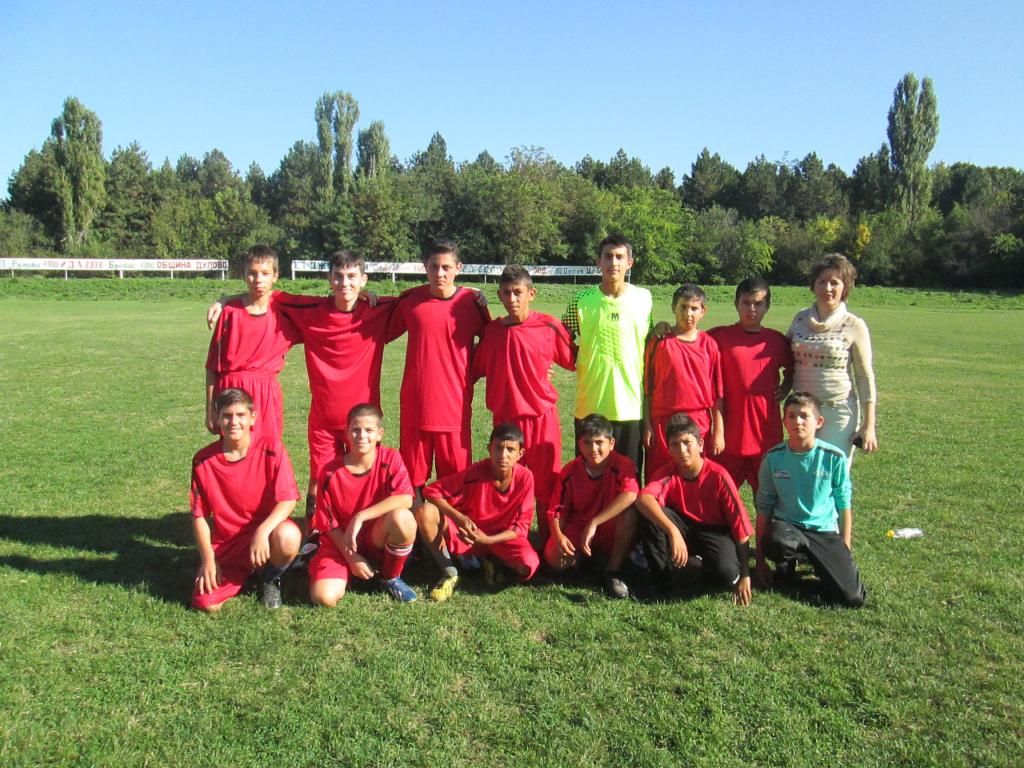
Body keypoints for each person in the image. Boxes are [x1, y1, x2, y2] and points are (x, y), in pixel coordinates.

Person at [472, 264, 575, 542]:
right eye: (506, 293)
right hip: (506, 421)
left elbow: (577, 359)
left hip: (541, 418)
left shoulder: (548, 326)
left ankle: (547, 541)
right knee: (505, 482)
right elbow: (471, 368)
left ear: (532, 293)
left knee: (546, 485)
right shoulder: (493, 332)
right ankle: (509, 542)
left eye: (518, 292)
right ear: (499, 295)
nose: (512, 299)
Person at [387, 238, 490, 494]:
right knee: (412, 484)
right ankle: (416, 520)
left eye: (446, 267)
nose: (440, 273)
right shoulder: (410, 301)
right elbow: (375, 325)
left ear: (458, 268)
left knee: (455, 483)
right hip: (416, 407)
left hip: (454, 409)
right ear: (425, 266)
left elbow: (495, 342)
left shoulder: (472, 303)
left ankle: (447, 521)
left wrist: (471, 371)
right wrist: (363, 295)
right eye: (434, 266)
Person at [189, 388, 302, 611]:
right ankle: (246, 575)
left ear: (252, 418)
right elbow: (199, 515)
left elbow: (288, 499)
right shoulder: (203, 460)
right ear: (217, 418)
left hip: (266, 537)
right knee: (206, 604)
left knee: (289, 536)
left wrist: (262, 531)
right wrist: (208, 559)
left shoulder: (272, 449)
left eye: (241, 415)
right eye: (227, 415)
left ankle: (270, 577)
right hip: (229, 544)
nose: (234, 422)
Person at [754, 392, 866, 607]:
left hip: (823, 531)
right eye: (791, 416)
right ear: (784, 422)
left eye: (804, 416)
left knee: (852, 598)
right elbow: (764, 509)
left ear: (819, 422)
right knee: (776, 541)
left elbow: (844, 505)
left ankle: (814, 561)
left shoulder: (834, 457)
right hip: (788, 528)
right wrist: (759, 560)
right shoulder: (773, 458)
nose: (798, 422)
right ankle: (787, 564)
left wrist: (844, 549)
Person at [635, 414, 753, 606]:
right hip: (683, 528)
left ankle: (694, 568)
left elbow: (740, 527)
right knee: (651, 514)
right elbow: (643, 499)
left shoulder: (719, 476)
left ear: (700, 444)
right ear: (668, 449)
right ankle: (661, 579)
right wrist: (673, 531)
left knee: (727, 575)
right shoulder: (668, 472)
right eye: (675, 444)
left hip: (714, 532)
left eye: (687, 442)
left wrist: (746, 574)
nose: (682, 450)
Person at [307, 404, 418, 605]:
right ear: (346, 433)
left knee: (403, 518)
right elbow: (328, 525)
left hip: (375, 537)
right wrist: (352, 558)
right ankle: (349, 572)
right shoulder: (329, 472)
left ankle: (389, 576)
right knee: (324, 598)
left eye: (369, 430)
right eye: (356, 430)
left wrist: (361, 516)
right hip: (342, 543)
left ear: (379, 434)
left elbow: (405, 498)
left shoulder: (390, 458)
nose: (362, 436)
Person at [416, 423, 539, 602]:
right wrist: (459, 517)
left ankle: (489, 559)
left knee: (528, 565)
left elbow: (522, 527)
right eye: (498, 448)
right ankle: (450, 571)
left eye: (510, 450)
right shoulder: (476, 472)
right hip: (469, 535)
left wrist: (488, 540)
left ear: (520, 454)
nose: (503, 455)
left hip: (501, 538)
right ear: (489, 449)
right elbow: (431, 491)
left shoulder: (525, 478)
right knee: (425, 511)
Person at [562, 234, 653, 471]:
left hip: (630, 406)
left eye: (619, 257)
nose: (614, 262)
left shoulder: (644, 299)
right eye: (608, 256)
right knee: (588, 477)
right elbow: (560, 339)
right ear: (598, 262)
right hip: (590, 405)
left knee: (628, 479)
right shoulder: (582, 300)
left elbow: (650, 342)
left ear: (629, 263)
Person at [204, 245, 300, 444]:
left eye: (265, 273)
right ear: (244, 275)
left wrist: (360, 295)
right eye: (252, 273)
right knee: (234, 451)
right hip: (231, 390)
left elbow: (327, 308)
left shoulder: (285, 312)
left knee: (267, 450)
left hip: (266, 393)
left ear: (275, 276)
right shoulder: (230, 312)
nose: (258, 279)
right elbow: (213, 366)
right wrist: (210, 409)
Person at [787, 253, 877, 457]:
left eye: (834, 282)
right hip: (802, 413)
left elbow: (864, 376)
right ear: (813, 285)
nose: (827, 288)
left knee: (830, 471)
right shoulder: (800, 319)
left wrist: (869, 425)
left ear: (845, 287)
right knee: (802, 468)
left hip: (838, 414)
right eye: (821, 281)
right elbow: (783, 357)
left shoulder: (854, 325)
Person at [708, 277, 793, 493]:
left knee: (765, 497)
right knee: (721, 495)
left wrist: (785, 387)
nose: (752, 309)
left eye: (758, 304)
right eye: (746, 303)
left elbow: (794, 368)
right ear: (736, 304)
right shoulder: (719, 337)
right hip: (728, 436)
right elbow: (688, 341)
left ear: (767, 306)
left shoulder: (776, 341)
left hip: (765, 435)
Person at [544, 414, 638, 599]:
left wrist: (595, 523)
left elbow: (631, 494)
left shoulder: (624, 465)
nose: (593, 449)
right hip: (580, 526)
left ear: (611, 443)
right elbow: (556, 510)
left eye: (599, 442)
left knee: (630, 513)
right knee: (553, 557)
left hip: (610, 525)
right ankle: (585, 560)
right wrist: (559, 537)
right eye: (587, 443)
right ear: (579, 445)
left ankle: (612, 570)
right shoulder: (570, 471)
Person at [643, 284, 724, 480]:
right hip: (662, 420)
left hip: (698, 421)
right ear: (673, 308)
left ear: (703, 311)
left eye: (694, 308)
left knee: (694, 478)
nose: (688, 313)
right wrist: (647, 424)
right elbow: (647, 389)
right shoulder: (659, 341)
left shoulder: (709, 345)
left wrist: (719, 432)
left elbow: (717, 393)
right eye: (683, 307)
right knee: (659, 478)